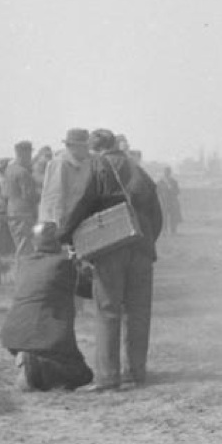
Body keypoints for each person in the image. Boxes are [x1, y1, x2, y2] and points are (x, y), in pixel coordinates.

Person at [61, 129, 163, 391]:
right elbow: (157, 215)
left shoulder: (96, 166)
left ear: (95, 149)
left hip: (110, 248)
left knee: (108, 311)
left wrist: (64, 235)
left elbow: (78, 204)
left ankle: (108, 377)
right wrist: (146, 240)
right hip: (141, 247)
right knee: (138, 312)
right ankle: (136, 372)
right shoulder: (139, 169)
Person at [0, 222, 93, 391]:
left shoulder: (24, 263)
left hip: (13, 336)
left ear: (35, 243)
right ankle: (36, 365)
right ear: (58, 242)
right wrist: (81, 262)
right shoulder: (63, 264)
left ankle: (30, 362)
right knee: (83, 375)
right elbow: (88, 290)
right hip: (47, 338)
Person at [40, 128, 94, 230]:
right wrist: (59, 226)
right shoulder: (60, 164)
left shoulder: (86, 162)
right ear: (72, 147)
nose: (88, 150)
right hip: (60, 223)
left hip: (77, 220)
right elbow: (55, 198)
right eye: (84, 147)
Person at [5, 140, 40, 277]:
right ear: (24, 154)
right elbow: (29, 195)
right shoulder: (23, 172)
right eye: (29, 153)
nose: (30, 157)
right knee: (25, 245)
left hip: (12, 209)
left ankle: (22, 274)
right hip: (23, 212)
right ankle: (23, 275)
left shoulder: (9, 169)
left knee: (19, 243)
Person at [157, 166, 183, 235]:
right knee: (164, 217)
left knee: (173, 216)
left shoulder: (174, 182)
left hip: (172, 201)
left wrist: (171, 189)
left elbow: (177, 191)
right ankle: (164, 230)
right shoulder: (160, 182)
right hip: (164, 202)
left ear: (170, 173)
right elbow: (157, 192)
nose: (166, 173)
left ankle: (173, 230)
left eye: (168, 172)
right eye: (165, 172)